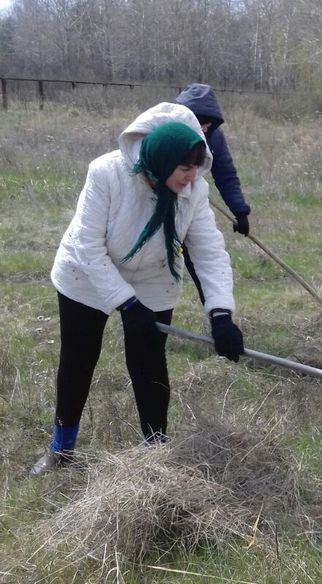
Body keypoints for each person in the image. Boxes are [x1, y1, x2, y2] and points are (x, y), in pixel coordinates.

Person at [30, 102, 245, 476]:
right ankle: (60, 452)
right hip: (86, 272)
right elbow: (88, 246)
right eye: (184, 169)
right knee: (79, 359)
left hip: (152, 274)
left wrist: (221, 313)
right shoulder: (107, 173)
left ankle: (155, 457)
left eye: (196, 169)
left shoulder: (193, 189)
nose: (191, 178)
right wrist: (126, 305)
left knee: (149, 364)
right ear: (162, 161)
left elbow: (209, 251)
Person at [175, 83, 251, 304]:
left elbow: (225, 173)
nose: (204, 131)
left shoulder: (215, 137)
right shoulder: (167, 130)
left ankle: (216, 312)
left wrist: (239, 210)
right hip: (157, 206)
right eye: (201, 125)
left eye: (208, 126)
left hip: (190, 205)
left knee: (202, 262)